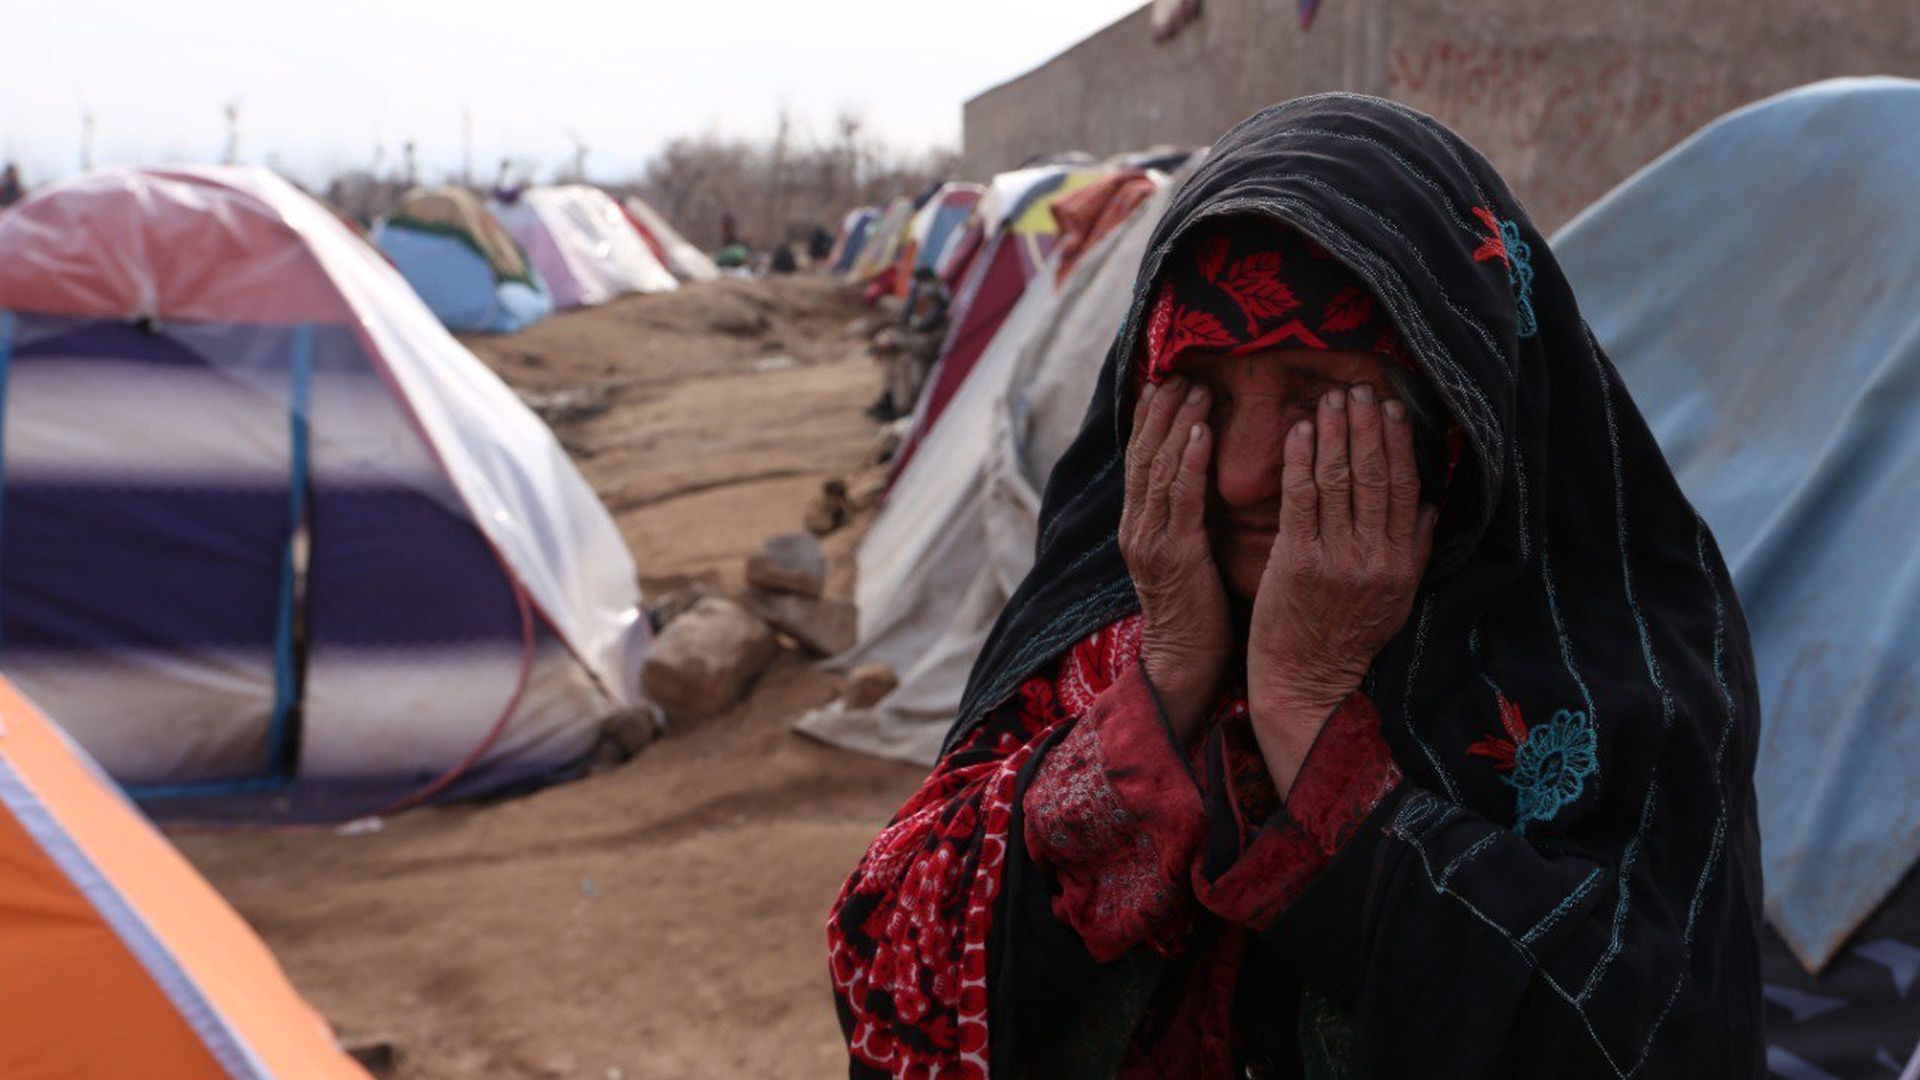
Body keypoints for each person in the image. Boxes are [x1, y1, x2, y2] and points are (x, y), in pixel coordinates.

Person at [827, 94, 1763, 1077]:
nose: (1238, 474)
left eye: (1317, 398)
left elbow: (1654, 1038)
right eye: (1203, 395)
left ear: (1452, 412)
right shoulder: (1094, 632)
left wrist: (1307, 719)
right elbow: (887, 978)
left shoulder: (1615, 676)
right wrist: (1168, 680)